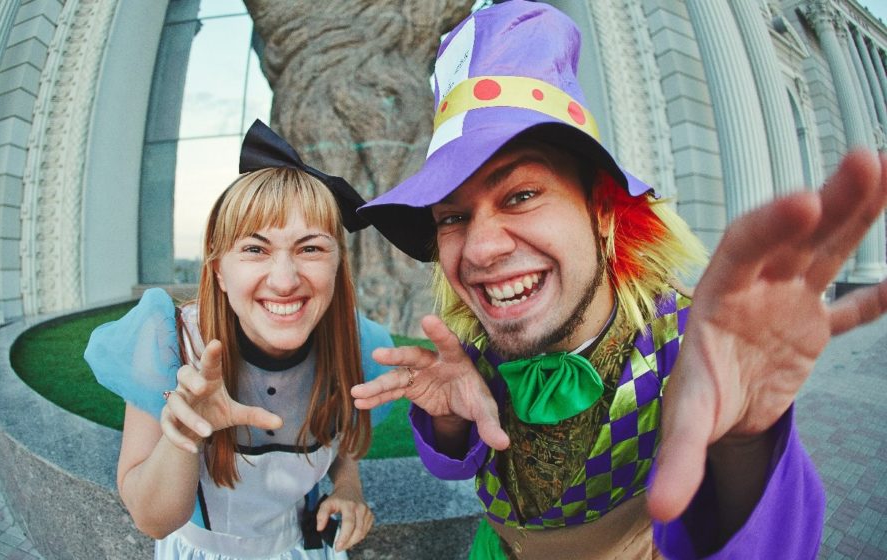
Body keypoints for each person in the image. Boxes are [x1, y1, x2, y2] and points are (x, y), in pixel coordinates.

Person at [351, 2, 887, 559]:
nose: (481, 249)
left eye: (522, 195)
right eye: (452, 218)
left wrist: (743, 451)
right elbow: (463, 464)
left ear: (603, 213)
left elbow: (774, 545)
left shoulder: (692, 349)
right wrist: (447, 423)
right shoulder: (476, 345)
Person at [85, 120, 394, 559]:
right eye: (255, 249)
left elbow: (340, 437)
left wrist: (348, 486)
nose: (285, 281)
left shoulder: (356, 344)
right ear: (218, 271)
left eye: (310, 248)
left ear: (337, 265)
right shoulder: (172, 343)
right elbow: (153, 519)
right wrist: (183, 435)